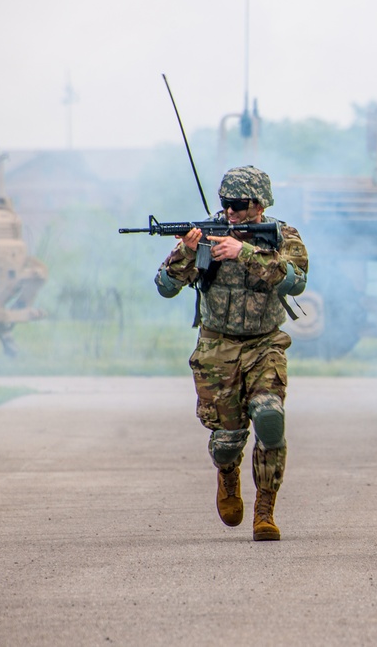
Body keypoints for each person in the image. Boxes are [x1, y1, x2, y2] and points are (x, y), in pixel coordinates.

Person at [155, 165, 309, 541]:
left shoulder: (281, 234)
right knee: (227, 441)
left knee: (270, 419)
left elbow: (297, 281)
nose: (231, 213)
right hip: (217, 347)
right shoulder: (205, 235)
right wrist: (188, 253)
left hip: (264, 344)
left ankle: (265, 511)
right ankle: (227, 475)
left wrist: (246, 253)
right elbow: (164, 286)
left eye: (239, 206)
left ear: (259, 205)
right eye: (226, 204)